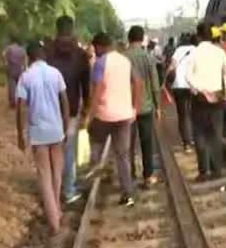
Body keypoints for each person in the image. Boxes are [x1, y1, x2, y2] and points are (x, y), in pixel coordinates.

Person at [16, 41, 70, 235]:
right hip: (56, 130)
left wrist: (21, 135)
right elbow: (65, 102)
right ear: (43, 55)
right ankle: (57, 210)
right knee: (57, 174)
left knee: (45, 178)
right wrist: (65, 126)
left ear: (29, 57)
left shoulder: (25, 77)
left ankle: (54, 222)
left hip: (38, 133)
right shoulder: (55, 73)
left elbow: (21, 108)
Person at [85, 32, 142, 207]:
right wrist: (135, 108)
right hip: (124, 115)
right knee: (123, 155)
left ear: (100, 46)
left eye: (95, 48)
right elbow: (138, 83)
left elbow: (97, 89)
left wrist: (89, 115)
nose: (96, 51)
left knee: (95, 144)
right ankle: (128, 194)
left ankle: (98, 176)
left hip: (104, 115)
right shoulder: (125, 61)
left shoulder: (101, 63)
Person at [46, 16, 90, 205]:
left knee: (51, 150)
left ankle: (52, 191)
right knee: (69, 150)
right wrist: (86, 109)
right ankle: (69, 189)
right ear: (72, 30)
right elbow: (86, 86)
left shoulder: (47, 53)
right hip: (71, 109)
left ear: (57, 29)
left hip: (48, 109)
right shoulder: (80, 55)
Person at [185, 23, 226, 182]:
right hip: (218, 97)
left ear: (199, 36)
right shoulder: (219, 52)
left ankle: (204, 171)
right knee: (216, 134)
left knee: (200, 135)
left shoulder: (194, 53)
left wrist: (199, 90)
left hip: (199, 99)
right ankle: (217, 170)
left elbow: (187, 75)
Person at [125, 26, 161, 188]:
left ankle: (130, 174)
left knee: (128, 144)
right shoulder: (148, 57)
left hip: (127, 107)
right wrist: (158, 105)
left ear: (129, 38)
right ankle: (148, 175)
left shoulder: (123, 57)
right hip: (146, 107)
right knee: (147, 142)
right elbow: (155, 83)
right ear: (141, 39)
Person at [165, 34, 195, 152]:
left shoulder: (178, 50)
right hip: (193, 86)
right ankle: (192, 138)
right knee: (193, 113)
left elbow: (172, 66)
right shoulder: (196, 50)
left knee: (183, 115)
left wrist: (164, 81)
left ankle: (186, 143)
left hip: (178, 86)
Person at [4, 35, 27, 108]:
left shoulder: (9, 48)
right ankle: (20, 101)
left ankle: (12, 102)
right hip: (20, 69)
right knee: (20, 86)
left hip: (11, 69)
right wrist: (25, 68)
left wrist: (6, 65)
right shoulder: (22, 49)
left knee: (12, 86)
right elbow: (25, 60)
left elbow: (5, 58)